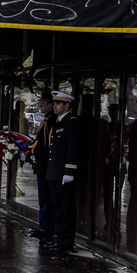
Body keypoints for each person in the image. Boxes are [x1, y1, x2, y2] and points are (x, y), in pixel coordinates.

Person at [46, 91, 80, 256]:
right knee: (57, 208)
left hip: (64, 174)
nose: (55, 106)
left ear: (67, 105)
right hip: (54, 173)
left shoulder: (71, 122)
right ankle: (58, 238)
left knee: (66, 208)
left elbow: (72, 148)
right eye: (55, 103)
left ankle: (66, 242)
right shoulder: (56, 122)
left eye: (59, 103)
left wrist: (69, 170)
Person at [29, 91, 57, 240]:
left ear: (51, 105)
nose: (41, 106)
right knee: (44, 198)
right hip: (43, 165)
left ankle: (46, 228)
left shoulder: (50, 121)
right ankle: (45, 226)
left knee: (45, 198)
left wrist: (29, 150)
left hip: (45, 165)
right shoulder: (46, 120)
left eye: (44, 104)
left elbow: (42, 144)